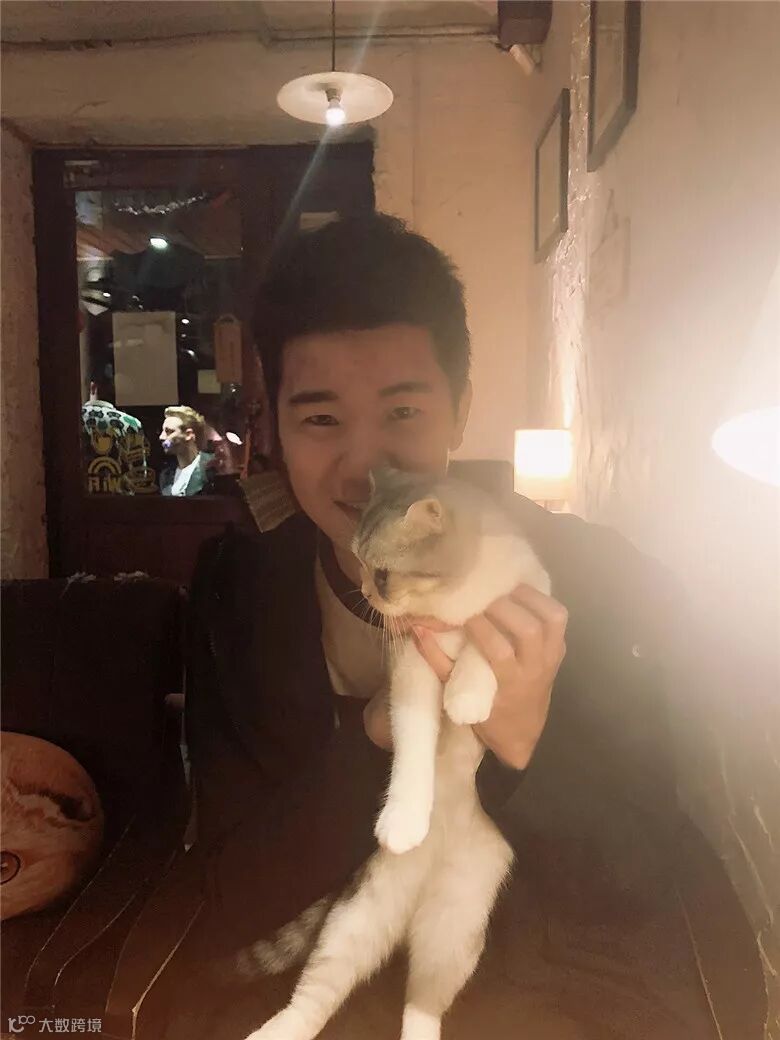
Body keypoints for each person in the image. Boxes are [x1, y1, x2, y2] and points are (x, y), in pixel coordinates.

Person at [153, 215, 719, 1040]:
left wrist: (526, 745)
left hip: (537, 991)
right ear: (272, 429)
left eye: (404, 411)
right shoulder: (239, 593)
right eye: (321, 420)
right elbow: (235, 888)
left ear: (459, 414)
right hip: (315, 981)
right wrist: (375, 736)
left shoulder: (591, 580)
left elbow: (636, 883)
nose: (365, 466)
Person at [81, 374, 154, 495]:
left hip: (80, 498)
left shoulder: (74, 419)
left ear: (93, 387)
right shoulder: (131, 423)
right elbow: (141, 474)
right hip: (120, 501)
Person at [159, 405, 213, 496]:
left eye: (169, 431)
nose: (161, 437)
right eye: (163, 431)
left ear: (188, 434)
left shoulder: (210, 467)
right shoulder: (166, 476)